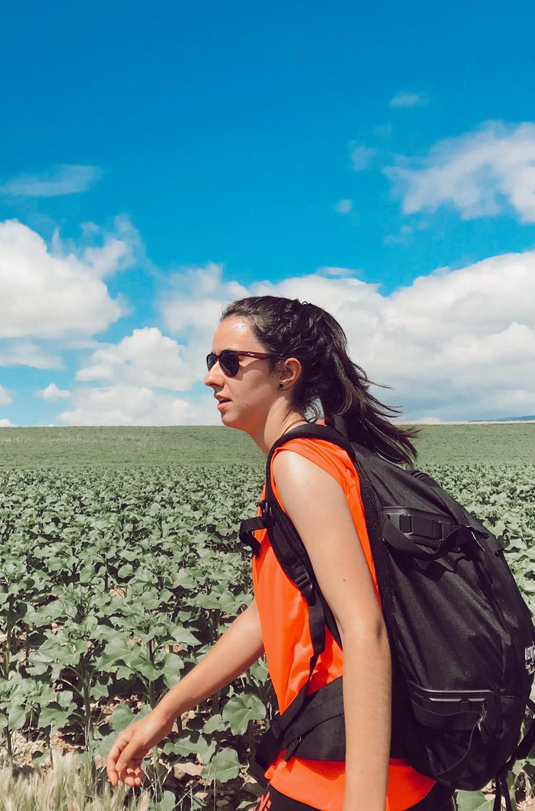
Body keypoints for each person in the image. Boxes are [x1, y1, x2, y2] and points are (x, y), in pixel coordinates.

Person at [106, 295, 457, 810]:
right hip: (396, 772)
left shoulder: (298, 464)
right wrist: (165, 712)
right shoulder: (324, 455)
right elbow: (270, 613)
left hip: (341, 777)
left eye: (231, 361)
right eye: (211, 361)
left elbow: (365, 629)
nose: (211, 378)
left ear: (286, 373)